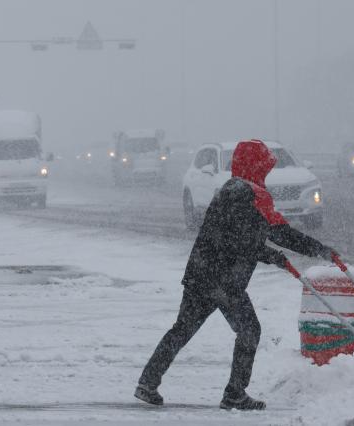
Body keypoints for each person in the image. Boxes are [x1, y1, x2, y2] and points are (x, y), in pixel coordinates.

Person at [134, 139, 337, 410]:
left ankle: (147, 382)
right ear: (255, 166)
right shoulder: (250, 194)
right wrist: (315, 250)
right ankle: (234, 393)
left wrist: (275, 255)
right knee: (250, 330)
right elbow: (272, 233)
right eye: (265, 167)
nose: (267, 172)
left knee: (182, 329)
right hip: (224, 279)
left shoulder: (231, 189)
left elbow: (243, 237)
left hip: (201, 273)